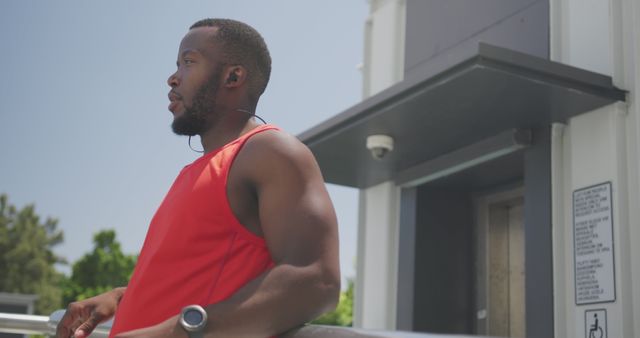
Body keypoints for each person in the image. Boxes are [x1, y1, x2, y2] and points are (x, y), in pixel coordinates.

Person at [56, 18, 340, 338]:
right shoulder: (196, 171)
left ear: (233, 76)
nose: (172, 78)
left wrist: (177, 332)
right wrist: (121, 297)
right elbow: (198, 278)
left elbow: (316, 281)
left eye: (189, 62)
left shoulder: (270, 150)